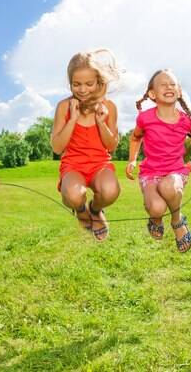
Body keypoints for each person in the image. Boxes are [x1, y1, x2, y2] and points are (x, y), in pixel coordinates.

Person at [126, 69, 191, 253]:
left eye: (173, 84)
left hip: (175, 172)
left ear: (179, 91)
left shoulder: (186, 121)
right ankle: (155, 219)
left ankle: (177, 220)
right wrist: (132, 160)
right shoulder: (145, 118)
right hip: (150, 173)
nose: (169, 87)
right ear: (152, 94)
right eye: (163, 84)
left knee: (170, 186)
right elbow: (136, 138)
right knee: (157, 208)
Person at [51, 49, 121, 241]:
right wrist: (72, 119)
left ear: (99, 81)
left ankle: (95, 210)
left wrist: (101, 122)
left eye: (89, 84)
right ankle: (81, 210)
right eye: (76, 84)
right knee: (73, 195)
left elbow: (112, 146)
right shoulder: (64, 107)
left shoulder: (109, 107)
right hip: (73, 165)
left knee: (111, 191)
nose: (82, 89)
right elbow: (57, 148)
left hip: (100, 164)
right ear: (70, 83)